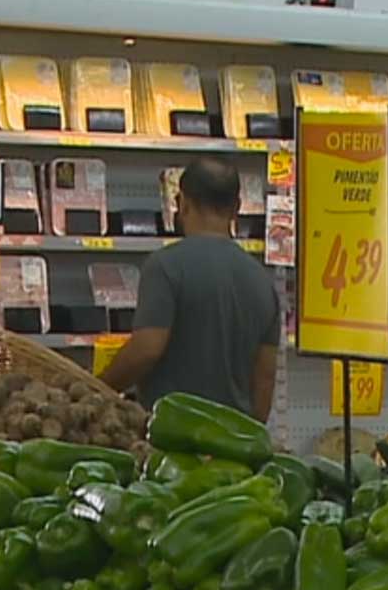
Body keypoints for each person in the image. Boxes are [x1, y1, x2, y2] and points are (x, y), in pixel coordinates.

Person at [100, 157, 279, 420]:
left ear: (182, 203)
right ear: (236, 208)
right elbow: (265, 376)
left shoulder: (165, 266)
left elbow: (147, 348)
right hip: (231, 443)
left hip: (173, 440)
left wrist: (98, 387)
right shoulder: (262, 280)